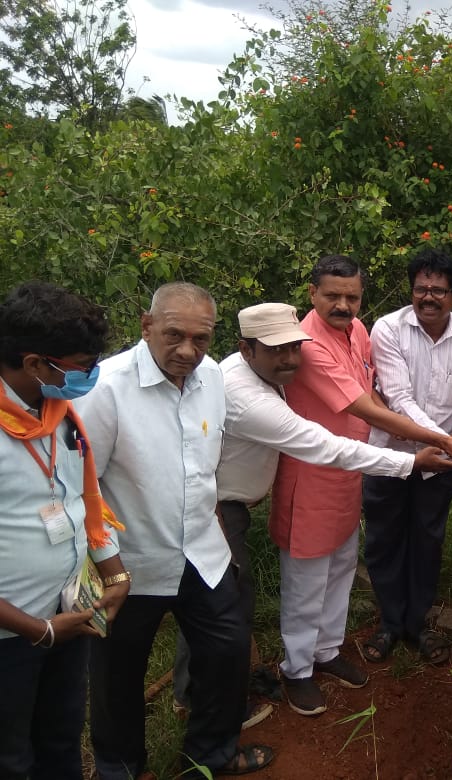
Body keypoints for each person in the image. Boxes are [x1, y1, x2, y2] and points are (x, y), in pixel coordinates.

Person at [172, 302, 452, 726]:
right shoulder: (244, 394)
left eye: (293, 348)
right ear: (246, 349)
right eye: (275, 350)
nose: (289, 359)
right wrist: (412, 462)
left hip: (241, 499)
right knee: (221, 602)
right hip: (210, 505)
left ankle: (322, 653)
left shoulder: (284, 363)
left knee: (319, 571)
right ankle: (204, 699)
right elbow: (320, 443)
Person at [78, 282, 273, 778]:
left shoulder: (209, 376)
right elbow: (82, 484)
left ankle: (210, 754)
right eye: (174, 335)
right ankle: (121, 767)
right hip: (130, 565)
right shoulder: (106, 387)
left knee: (227, 654)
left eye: (201, 338)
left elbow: (200, 464)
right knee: (118, 673)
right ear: (146, 326)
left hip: (203, 553)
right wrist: (106, 564)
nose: (187, 350)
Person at [270, 255, 452, 717]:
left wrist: (416, 435)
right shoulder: (310, 346)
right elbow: (365, 407)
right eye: (333, 296)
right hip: (314, 473)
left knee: (343, 566)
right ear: (312, 294)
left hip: (354, 468)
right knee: (306, 578)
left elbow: (377, 394)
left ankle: (326, 651)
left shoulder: (357, 332)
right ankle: (297, 668)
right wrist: (437, 439)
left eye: (352, 296)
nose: (343, 305)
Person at [0, 282, 130, 779]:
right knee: (10, 756)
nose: (90, 375)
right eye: (80, 365)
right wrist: (38, 631)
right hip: (14, 634)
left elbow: (81, 500)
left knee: (60, 739)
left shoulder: (58, 413)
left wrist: (114, 573)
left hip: (69, 613)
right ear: (35, 363)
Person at [361, 249, 452, 665]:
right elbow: (397, 399)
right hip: (390, 457)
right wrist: (446, 441)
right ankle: (390, 623)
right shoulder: (388, 329)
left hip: (443, 466)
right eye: (421, 288)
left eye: (438, 290)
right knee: (384, 541)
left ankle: (417, 624)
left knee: (427, 541)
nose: (428, 297)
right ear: (411, 290)